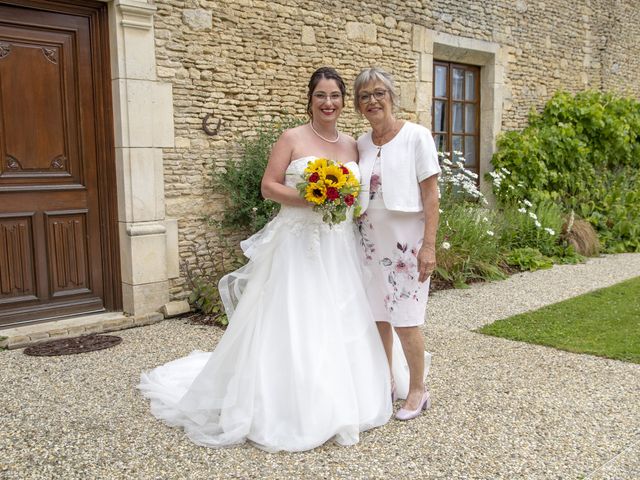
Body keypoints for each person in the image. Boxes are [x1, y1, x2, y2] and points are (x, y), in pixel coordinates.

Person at [138, 67, 392, 452]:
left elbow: (357, 197)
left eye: (335, 96)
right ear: (310, 99)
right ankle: (286, 404)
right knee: (296, 314)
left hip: (339, 245)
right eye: (321, 95)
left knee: (340, 313)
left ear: (344, 102)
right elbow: (269, 186)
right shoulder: (292, 138)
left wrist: (345, 202)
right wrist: (310, 198)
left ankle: (344, 395)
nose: (328, 103)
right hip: (297, 244)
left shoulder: (353, 146)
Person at [353, 67, 441, 421]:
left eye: (378, 93)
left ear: (391, 96)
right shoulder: (360, 143)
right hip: (369, 242)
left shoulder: (416, 136)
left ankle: (418, 390)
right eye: (364, 96)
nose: (372, 101)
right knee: (377, 317)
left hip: (406, 245)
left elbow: (431, 195)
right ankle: (386, 380)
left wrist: (430, 245)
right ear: (359, 106)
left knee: (406, 318)